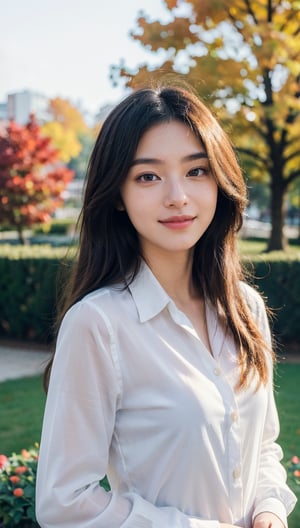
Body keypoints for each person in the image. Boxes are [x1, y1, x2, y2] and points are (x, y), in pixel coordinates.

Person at [36, 85, 297, 528]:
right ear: (117, 193)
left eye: (196, 170)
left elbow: (263, 447)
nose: (177, 196)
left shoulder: (246, 308)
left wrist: (269, 509)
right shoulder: (98, 324)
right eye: (148, 177)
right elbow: (64, 503)